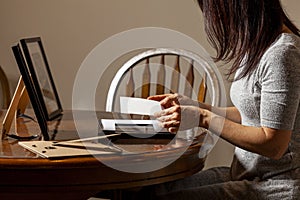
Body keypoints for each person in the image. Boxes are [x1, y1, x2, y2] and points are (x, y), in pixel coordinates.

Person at [133, 0, 300, 199]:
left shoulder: (282, 54)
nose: (218, 21)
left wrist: (203, 118)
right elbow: (253, 113)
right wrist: (197, 106)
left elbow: (274, 145)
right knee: (146, 192)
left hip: (276, 185)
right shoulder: (260, 46)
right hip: (243, 174)